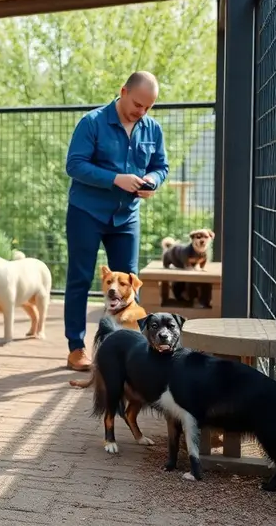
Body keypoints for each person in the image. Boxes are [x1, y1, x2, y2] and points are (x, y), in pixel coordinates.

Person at [63, 71, 169, 371]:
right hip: (86, 212)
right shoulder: (92, 122)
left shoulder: (152, 129)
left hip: (127, 216)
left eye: (148, 107)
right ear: (123, 92)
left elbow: (162, 166)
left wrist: (152, 180)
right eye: (138, 104)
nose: (142, 112)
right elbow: (75, 165)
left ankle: (129, 346)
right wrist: (115, 179)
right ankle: (76, 348)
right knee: (80, 279)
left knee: (129, 282)